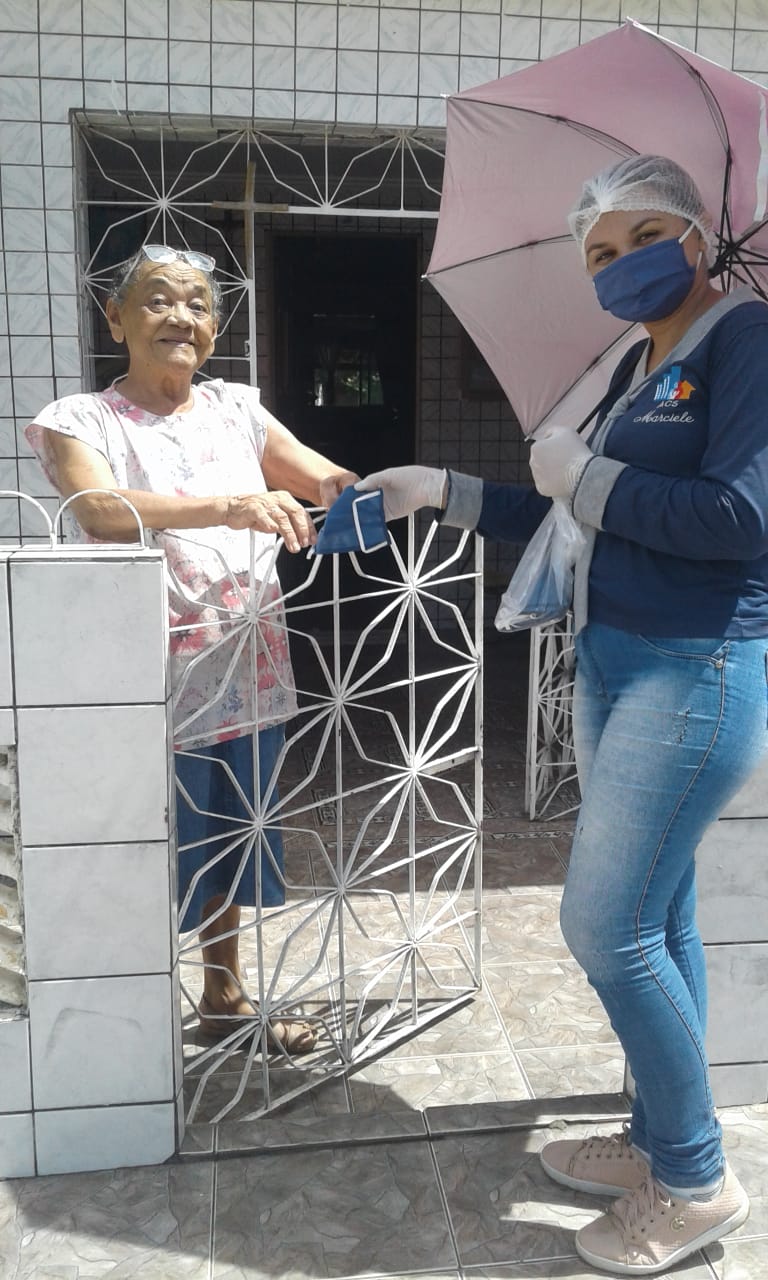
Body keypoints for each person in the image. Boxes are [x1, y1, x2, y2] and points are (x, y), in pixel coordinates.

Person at [355, 155, 768, 1274]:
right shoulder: (640, 362)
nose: (619, 264)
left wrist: (585, 474)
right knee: (660, 919)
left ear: (696, 234)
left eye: (641, 237)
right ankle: (656, 1141)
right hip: (613, 659)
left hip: (696, 668)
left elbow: (739, 516)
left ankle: (695, 1179)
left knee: (604, 928)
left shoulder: (746, 340)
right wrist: (439, 489)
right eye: (599, 254)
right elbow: (571, 514)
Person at [26, 244, 357, 1054]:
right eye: (159, 300)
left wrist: (351, 491)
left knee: (228, 838)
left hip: (246, 668)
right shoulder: (81, 419)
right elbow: (101, 510)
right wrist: (233, 506)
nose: (182, 317)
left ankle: (221, 994)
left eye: (199, 304)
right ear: (116, 318)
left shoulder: (236, 408)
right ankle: (115, 1020)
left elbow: (317, 475)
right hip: (144, 675)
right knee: (141, 841)